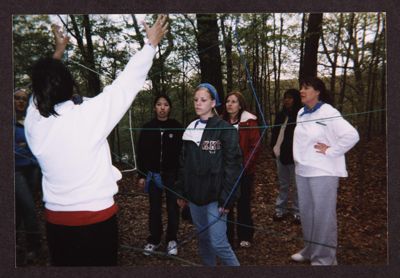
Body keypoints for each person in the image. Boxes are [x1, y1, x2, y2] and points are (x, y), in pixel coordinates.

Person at [24, 16, 168, 266]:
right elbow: (125, 85)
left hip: (57, 225)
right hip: (97, 223)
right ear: (69, 85)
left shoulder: (34, 123)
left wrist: (57, 54)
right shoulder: (86, 117)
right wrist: (150, 45)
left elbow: (38, 96)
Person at [291, 76, 359, 266]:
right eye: (301, 87)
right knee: (307, 213)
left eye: (307, 87)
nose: (302, 91)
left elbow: (352, 135)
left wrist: (331, 150)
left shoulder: (329, 111)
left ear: (318, 91)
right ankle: (311, 250)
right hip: (302, 170)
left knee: (323, 215)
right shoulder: (301, 113)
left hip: (323, 171)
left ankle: (325, 258)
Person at [175, 83, 242, 266]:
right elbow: (183, 164)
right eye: (196, 99)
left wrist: (227, 198)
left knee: (219, 243)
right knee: (203, 239)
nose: (198, 103)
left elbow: (233, 166)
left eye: (203, 100)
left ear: (213, 103)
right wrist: (181, 191)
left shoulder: (225, 129)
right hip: (195, 196)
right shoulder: (190, 129)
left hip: (216, 197)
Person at [136, 94, 183, 256]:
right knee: (154, 208)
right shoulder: (147, 128)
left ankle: (172, 240)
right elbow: (140, 154)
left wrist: (180, 177)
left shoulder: (177, 127)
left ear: (170, 108)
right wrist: (141, 175)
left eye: (165, 105)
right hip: (153, 175)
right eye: (159, 104)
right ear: (154, 107)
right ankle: (154, 239)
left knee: (172, 208)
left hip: (172, 175)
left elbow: (182, 154)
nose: (162, 108)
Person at [222, 91, 261, 248]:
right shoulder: (221, 122)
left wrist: (244, 167)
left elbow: (255, 147)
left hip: (245, 171)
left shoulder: (249, 121)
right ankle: (227, 236)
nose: (230, 104)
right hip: (226, 171)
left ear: (240, 105)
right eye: (228, 101)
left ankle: (245, 236)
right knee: (226, 204)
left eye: (234, 101)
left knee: (243, 203)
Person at [14, 88, 41, 262]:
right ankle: (34, 247)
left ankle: (16, 244)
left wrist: (25, 146)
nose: (21, 101)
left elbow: (36, 144)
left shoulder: (30, 119)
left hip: (33, 169)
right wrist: (21, 147)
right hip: (15, 170)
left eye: (24, 99)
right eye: (17, 98)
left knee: (22, 207)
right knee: (30, 208)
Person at [270, 89, 302, 224]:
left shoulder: (300, 116)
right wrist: (273, 148)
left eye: (290, 98)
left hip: (295, 157)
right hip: (280, 155)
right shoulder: (281, 115)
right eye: (285, 98)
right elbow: (275, 132)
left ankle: (297, 212)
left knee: (297, 185)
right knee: (283, 184)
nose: (287, 100)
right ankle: (280, 209)